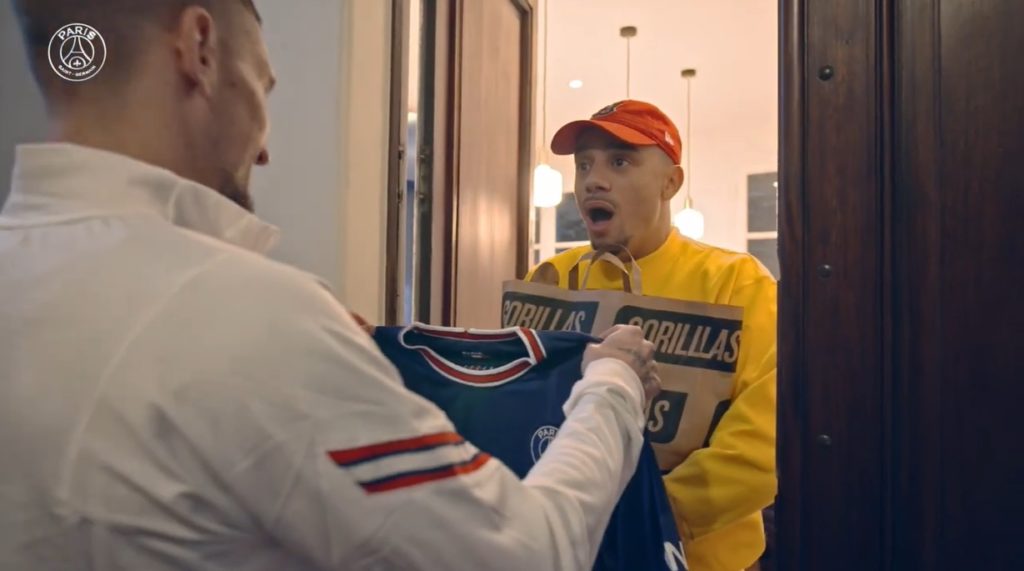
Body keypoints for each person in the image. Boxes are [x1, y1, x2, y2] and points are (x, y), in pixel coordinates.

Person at [0, 2, 661, 570]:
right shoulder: (250, 318)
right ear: (200, 48)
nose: (264, 151)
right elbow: (525, 554)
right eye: (261, 86)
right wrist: (614, 385)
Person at [531, 100, 778, 571]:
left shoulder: (736, 282)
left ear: (671, 183)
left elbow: (768, 433)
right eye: (584, 165)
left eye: (619, 162)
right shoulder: (549, 281)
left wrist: (658, 512)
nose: (593, 180)